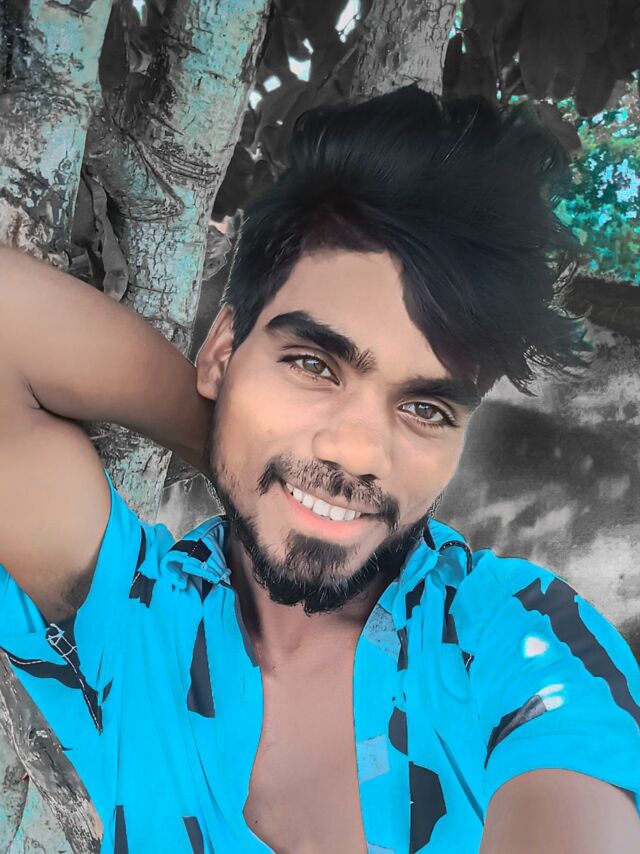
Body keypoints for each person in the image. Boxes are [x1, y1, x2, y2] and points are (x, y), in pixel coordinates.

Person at [0, 86, 639, 854]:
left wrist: (277, 463)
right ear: (222, 351)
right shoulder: (132, 629)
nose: (358, 452)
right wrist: (247, 449)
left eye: (426, 409)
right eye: (313, 363)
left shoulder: (507, 638)